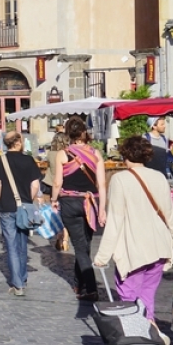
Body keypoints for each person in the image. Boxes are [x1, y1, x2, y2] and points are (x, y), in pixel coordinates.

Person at [93, 135, 173, 326]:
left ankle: (138, 337)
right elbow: (171, 216)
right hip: (159, 248)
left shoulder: (120, 179)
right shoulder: (159, 177)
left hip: (133, 250)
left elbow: (115, 221)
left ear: (125, 154)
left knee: (128, 298)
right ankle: (151, 333)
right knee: (146, 298)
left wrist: (102, 256)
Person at [52, 117, 107, 301]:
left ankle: (90, 288)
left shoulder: (63, 154)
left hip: (69, 202)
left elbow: (58, 182)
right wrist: (102, 209)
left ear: (68, 133)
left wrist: (53, 199)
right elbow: (102, 184)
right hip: (90, 203)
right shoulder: (95, 153)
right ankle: (79, 282)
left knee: (80, 247)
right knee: (84, 246)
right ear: (84, 132)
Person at [0, 131, 42, 296]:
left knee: (11, 246)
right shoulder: (28, 160)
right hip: (24, 207)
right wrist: (27, 200)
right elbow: (35, 186)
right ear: (18, 142)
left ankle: (17, 284)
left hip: (6, 207)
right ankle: (23, 279)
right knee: (22, 244)